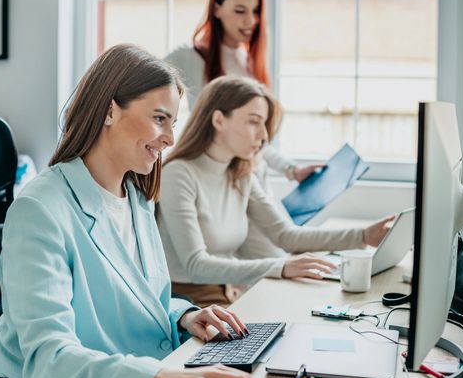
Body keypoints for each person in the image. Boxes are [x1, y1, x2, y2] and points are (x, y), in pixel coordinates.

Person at [0, 44, 269, 378]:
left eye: (172, 123)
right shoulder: (40, 208)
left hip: (119, 374)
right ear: (110, 110)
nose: (170, 138)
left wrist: (184, 316)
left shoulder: (135, 199)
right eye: (159, 119)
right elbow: (50, 359)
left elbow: (130, 299)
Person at [157, 76, 392, 307]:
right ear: (218, 120)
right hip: (190, 303)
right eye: (253, 121)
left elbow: (286, 235)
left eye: (264, 124)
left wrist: (363, 235)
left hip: (230, 291)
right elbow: (196, 265)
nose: (264, 136)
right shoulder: (178, 174)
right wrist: (280, 267)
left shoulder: (240, 173)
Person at [164, 0, 323, 260]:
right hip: (218, 184)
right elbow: (145, 87)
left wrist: (291, 169)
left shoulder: (251, 62)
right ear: (217, 8)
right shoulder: (189, 56)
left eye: (255, 11)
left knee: (277, 262)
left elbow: (255, 135)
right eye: (240, 10)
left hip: (251, 180)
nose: (250, 21)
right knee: (265, 267)